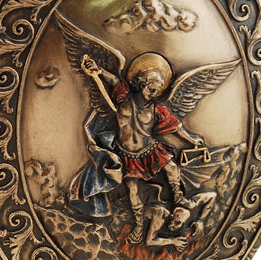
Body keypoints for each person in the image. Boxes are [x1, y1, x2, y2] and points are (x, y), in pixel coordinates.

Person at [83, 52, 204, 242]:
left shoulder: (157, 109)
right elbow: (113, 80)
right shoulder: (123, 97)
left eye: (157, 91)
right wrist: (98, 70)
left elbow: (176, 127)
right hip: (127, 155)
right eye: (151, 88)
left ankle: (178, 197)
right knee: (132, 192)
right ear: (142, 84)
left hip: (149, 150)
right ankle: (139, 226)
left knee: (172, 168)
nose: (154, 93)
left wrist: (192, 140)